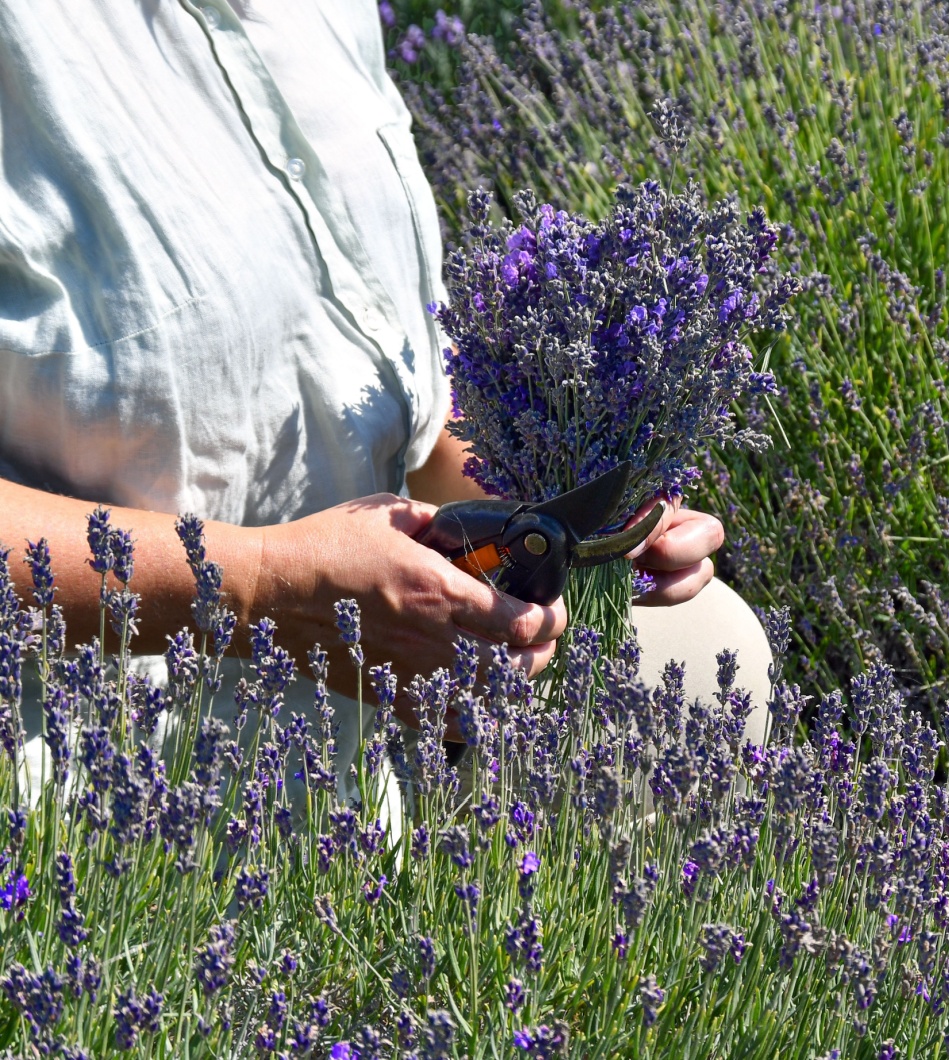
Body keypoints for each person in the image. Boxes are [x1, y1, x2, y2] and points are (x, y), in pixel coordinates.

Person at [0, 1, 770, 810]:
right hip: (125, 751)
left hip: (405, 685)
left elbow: (394, 394)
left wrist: (549, 506)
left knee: (704, 653)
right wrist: (268, 587)